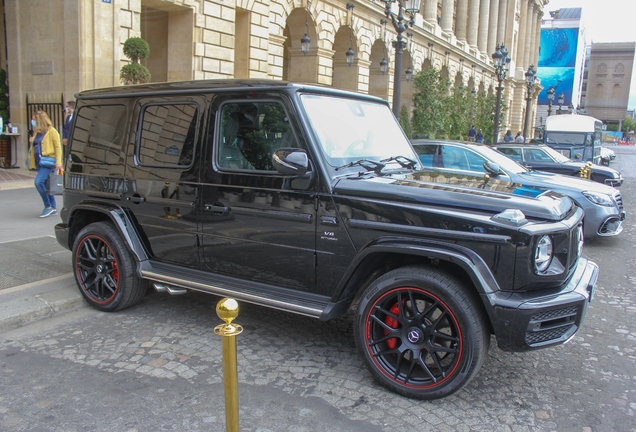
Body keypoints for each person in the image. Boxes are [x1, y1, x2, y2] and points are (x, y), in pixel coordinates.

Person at [29, 111, 63, 218]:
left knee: (38, 182)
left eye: (34, 119)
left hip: (48, 162)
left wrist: (59, 162)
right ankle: (53, 207)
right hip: (39, 161)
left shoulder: (52, 131)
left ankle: (47, 206)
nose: (32, 121)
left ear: (40, 120)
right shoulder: (38, 132)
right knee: (46, 184)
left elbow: (58, 147)